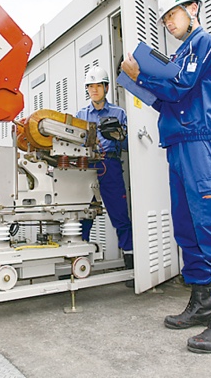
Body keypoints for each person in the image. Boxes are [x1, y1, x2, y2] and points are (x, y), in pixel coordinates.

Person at [121, 0, 211, 353]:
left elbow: (180, 88)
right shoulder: (180, 54)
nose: (169, 23)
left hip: (201, 145)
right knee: (187, 227)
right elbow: (166, 100)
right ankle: (203, 301)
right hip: (177, 146)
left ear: (193, 9)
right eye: (165, 18)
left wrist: (140, 76)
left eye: (173, 14)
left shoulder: (205, 43)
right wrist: (140, 83)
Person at [75, 66, 134, 287]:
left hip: (110, 164)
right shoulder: (81, 115)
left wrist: (120, 136)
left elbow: (128, 145)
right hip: (87, 167)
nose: (94, 90)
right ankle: (78, 262)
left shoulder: (118, 114)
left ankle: (130, 261)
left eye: (98, 85)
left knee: (119, 215)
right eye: (90, 86)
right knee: (84, 215)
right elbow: (74, 142)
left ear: (106, 87)